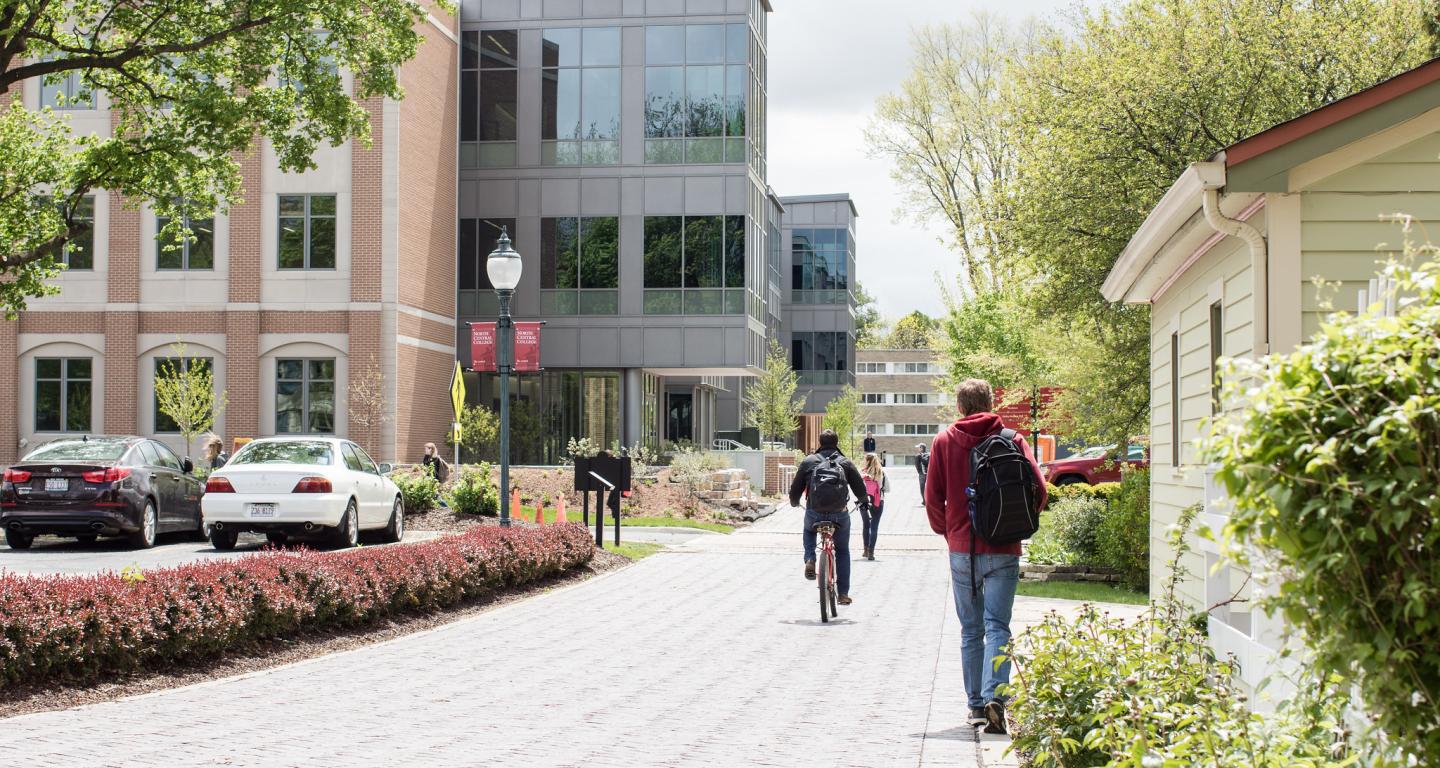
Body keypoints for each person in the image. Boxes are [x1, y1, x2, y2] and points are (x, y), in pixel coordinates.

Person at [925, 379, 1047, 735]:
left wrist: (948, 532)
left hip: (963, 548)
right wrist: (1014, 525)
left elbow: (933, 499)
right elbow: (1039, 491)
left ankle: (976, 706)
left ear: (960, 407)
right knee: (998, 627)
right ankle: (997, 697)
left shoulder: (944, 441)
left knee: (971, 630)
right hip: (1004, 548)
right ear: (992, 404)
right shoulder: (1013, 439)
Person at [789, 429, 869, 606]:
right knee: (842, 550)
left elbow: (795, 488)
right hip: (839, 514)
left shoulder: (809, 461)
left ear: (819, 442)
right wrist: (863, 502)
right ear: (837, 442)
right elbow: (860, 489)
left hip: (814, 512)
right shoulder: (845, 462)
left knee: (808, 529)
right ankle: (843, 594)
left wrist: (794, 502)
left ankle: (810, 558)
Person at [858, 452, 888, 560]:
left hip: (864, 501)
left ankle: (865, 550)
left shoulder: (862, 473)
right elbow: (888, 489)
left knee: (866, 525)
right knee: (874, 526)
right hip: (878, 501)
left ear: (866, 461)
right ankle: (871, 552)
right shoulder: (881, 472)